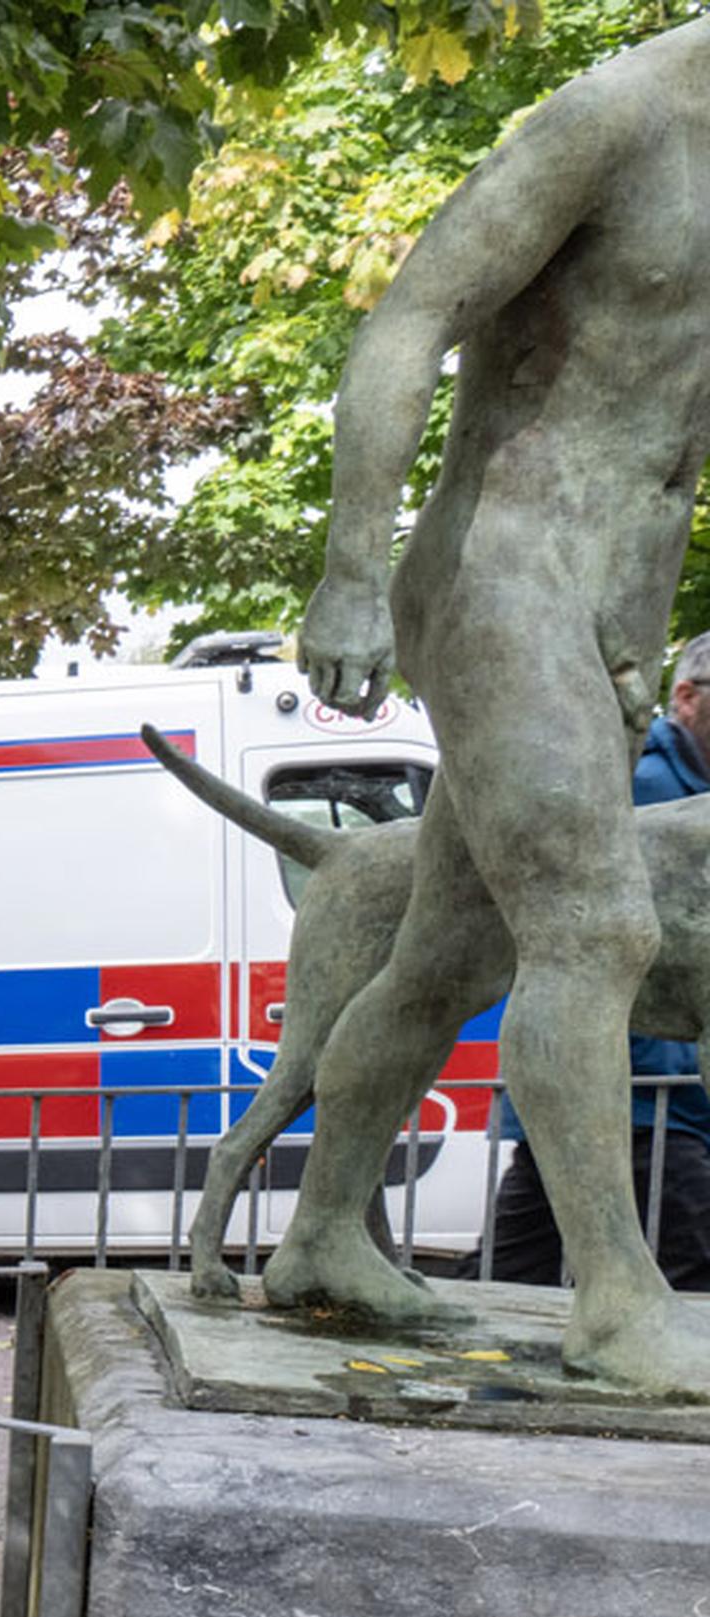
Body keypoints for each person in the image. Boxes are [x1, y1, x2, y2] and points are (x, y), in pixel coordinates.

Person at [281, 21, 710, 1389]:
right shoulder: (616, 117)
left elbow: (667, 427)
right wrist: (353, 570)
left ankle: (320, 1235)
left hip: (603, 603)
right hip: (499, 569)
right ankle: (614, 1297)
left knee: (445, 959)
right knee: (598, 926)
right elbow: (409, 319)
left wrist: (639, 616)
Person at [484, 630, 710, 1289]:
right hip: (640, 1097)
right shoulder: (641, 785)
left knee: (517, 1269)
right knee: (689, 1271)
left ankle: (479, 1347)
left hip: (632, 1099)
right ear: (687, 697)